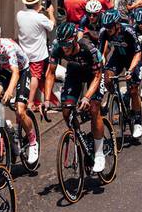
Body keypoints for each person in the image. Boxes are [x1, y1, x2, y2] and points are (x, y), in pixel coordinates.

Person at [44, 22, 106, 165]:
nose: (64, 48)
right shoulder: (57, 46)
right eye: (62, 44)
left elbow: (97, 75)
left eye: (67, 44)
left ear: (74, 40)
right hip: (75, 72)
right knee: (66, 112)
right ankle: (80, 137)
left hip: (93, 74)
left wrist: (86, 97)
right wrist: (47, 99)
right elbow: (50, 73)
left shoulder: (88, 48)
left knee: (94, 108)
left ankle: (99, 152)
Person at [0, 23, 37, 164]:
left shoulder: (8, 47)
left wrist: (10, 91)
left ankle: (33, 141)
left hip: (22, 71)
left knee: (20, 110)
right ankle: (2, 126)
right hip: (5, 71)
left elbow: (16, 73)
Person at [99, 7, 142, 142]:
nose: (108, 29)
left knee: (133, 90)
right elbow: (100, 52)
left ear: (117, 24)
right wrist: (99, 66)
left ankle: (137, 120)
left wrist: (130, 70)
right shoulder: (104, 32)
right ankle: (116, 97)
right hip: (118, 56)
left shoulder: (128, 31)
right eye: (106, 27)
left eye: (110, 27)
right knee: (107, 79)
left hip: (132, 58)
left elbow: (138, 52)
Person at [16, 0, 55, 112]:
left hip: (23, 51)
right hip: (37, 53)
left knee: (24, 75)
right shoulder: (40, 17)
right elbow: (51, 25)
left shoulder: (20, 14)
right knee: (35, 76)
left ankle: (22, 98)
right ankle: (30, 102)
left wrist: (38, 11)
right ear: (38, 3)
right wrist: (51, 13)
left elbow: (31, 19)